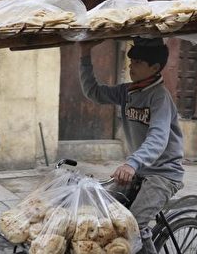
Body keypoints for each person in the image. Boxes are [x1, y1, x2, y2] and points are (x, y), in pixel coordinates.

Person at [78, 37, 185, 254]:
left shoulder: (160, 98)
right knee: (104, 212)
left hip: (164, 175)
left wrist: (132, 163)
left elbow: (158, 137)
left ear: (154, 67)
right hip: (139, 171)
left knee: (133, 224)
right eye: (131, 60)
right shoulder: (128, 91)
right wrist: (84, 56)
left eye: (137, 62)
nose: (130, 65)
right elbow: (94, 93)